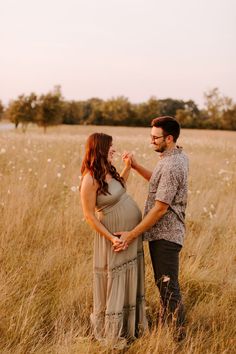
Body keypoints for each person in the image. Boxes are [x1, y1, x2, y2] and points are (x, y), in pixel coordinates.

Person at [114, 116, 188, 341]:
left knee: (167, 285)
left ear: (169, 138)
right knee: (164, 284)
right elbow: (158, 183)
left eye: (156, 138)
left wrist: (131, 235)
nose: (151, 141)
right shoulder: (173, 157)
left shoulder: (173, 165)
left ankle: (177, 337)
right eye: (151, 136)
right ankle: (168, 330)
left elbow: (159, 209)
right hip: (164, 233)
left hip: (166, 235)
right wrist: (135, 166)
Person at [80, 133, 147, 348]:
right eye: (111, 146)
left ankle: (130, 328)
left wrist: (128, 167)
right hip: (113, 239)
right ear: (99, 148)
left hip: (130, 236)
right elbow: (89, 216)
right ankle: (113, 332)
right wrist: (111, 238)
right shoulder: (89, 178)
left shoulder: (109, 171)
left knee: (129, 277)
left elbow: (118, 190)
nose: (114, 150)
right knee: (116, 280)